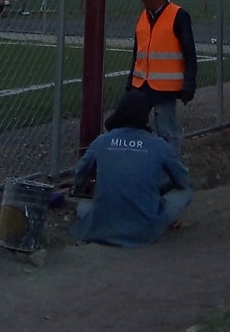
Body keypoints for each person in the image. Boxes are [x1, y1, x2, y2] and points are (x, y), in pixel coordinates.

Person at [70, 90, 193, 247]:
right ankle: (146, 220)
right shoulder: (159, 145)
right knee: (186, 191)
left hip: (103, 225)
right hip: (144, 231)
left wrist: (81, 188)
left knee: (83, 206)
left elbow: (80, 172)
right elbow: (184, 181)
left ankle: (108, 224)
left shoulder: (101, 141)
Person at [125, 0, 197, 156]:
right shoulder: (143, 17)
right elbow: (138, 53)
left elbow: (189, 53)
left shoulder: (178, 15)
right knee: (135, 130)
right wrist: (130, 81)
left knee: (166, 132)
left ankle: (170, 174)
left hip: (164, 88)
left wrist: (188, 84)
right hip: (141, 85)